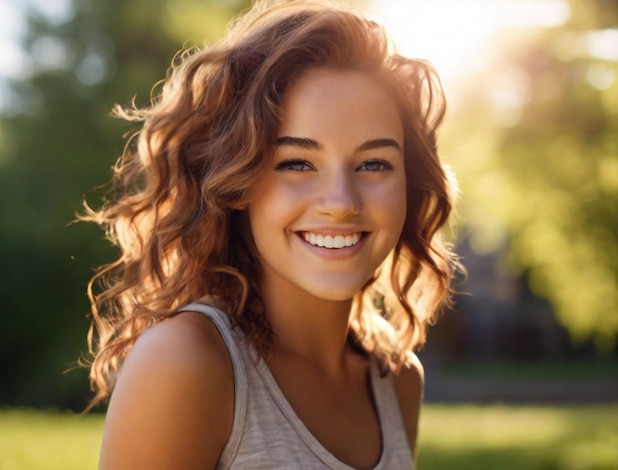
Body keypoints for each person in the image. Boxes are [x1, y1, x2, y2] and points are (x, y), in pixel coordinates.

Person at [82, 0, 461, 468]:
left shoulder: (397, 379)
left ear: (411, 183)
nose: (341, 202)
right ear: (237, 183)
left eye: (374, 163)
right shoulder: (186, 362)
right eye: (297, 163)